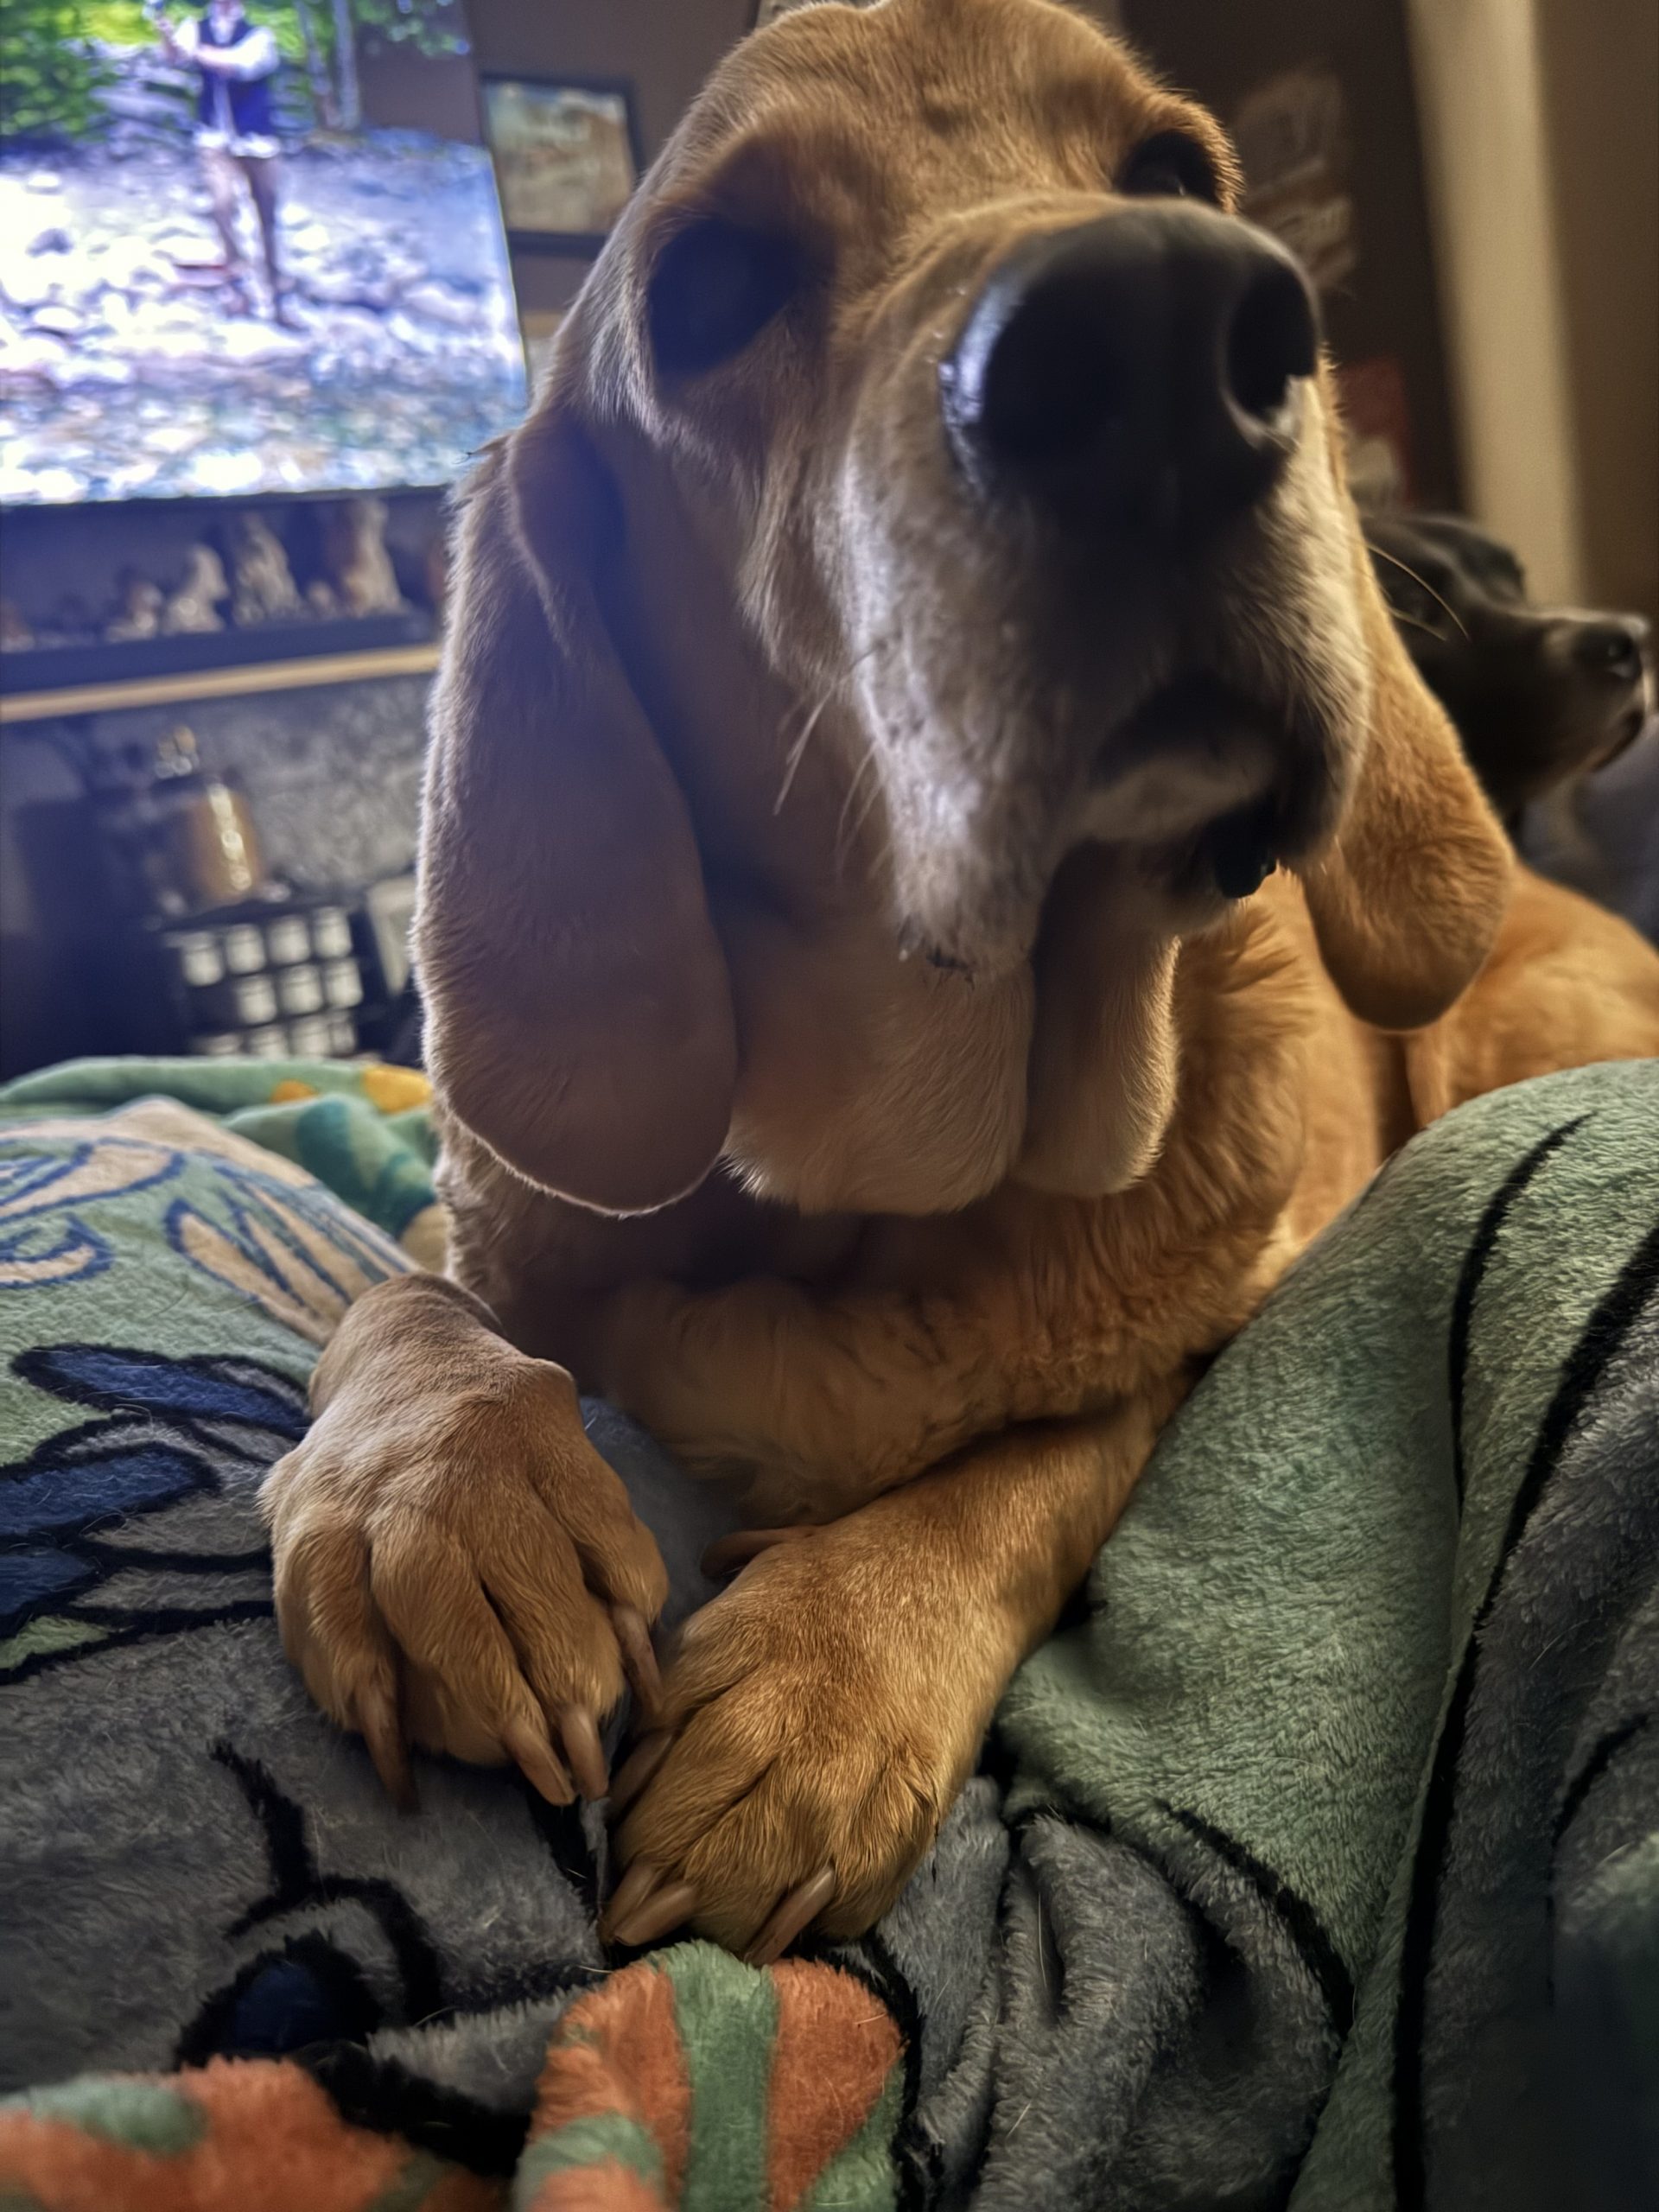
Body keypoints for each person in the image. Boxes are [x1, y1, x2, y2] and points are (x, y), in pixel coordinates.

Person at [149, 0, 296, 326]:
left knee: (267, 218)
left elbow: (237, 64)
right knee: (221, 205)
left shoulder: (260, 36)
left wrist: (192, 50)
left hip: (258, 142)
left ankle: (276, 291)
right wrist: (167, 36)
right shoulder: (196, 28)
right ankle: (238, 279)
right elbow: (174, 57)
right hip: (215, 139)